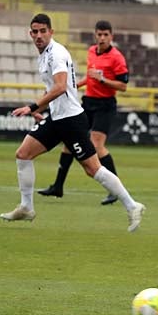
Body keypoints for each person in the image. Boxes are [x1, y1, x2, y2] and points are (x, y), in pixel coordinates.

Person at [0, 14, 144, 231]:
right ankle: (26, 207)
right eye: (35, 32)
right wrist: (39, 110)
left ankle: (133, 205)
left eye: (42, 31)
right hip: (57, 117)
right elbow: (53, 89)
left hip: (71, 120)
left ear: (51, 32)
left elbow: (60, 87)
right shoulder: (44, 55)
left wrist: (31, 106)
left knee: (92, 168)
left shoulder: (56, 53)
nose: (38, 35)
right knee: (23, 154)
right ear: (30, 34)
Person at [38, 20, 129, 205]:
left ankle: (114, 190)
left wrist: (103, 80)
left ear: (111, 36)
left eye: (106, 35)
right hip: (88, 102)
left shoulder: (117, 57)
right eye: (99, 34)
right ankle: (58, 186)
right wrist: (74, 86)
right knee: (68, 142)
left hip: (105, 106)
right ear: (95, 35)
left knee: (97, 145)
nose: (102, 38)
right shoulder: (91, 52)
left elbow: (123, 86)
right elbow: (89, 78)